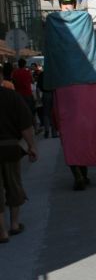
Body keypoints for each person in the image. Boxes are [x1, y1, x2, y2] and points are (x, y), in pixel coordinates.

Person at [43, 0, 96, 190]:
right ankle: (83, 172)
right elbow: (91, 48)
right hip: (85, 81)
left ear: (59, 1)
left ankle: (77, 173)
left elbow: (49, 51)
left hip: (62, 82)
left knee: (68, 130)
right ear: (75, 0)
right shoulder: (84, 18)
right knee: (87, 128)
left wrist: (49, 81)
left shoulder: (51, 20)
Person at [0, 79, 38, 243]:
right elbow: (26, 125)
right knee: (13, 184)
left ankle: (2, 232)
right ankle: (14, 224)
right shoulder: (12, 97)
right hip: (9, 148)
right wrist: (32, 146)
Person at [12, 59, 36, 130]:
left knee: (21, 113)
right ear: (25, 64)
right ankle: (34, 128)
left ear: (18, 64)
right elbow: (33, 81)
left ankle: (22, 129)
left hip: (18, 95)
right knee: (31, 111)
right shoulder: (28, 72)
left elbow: (14, 82)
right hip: (28, 94)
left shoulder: (14, 73)